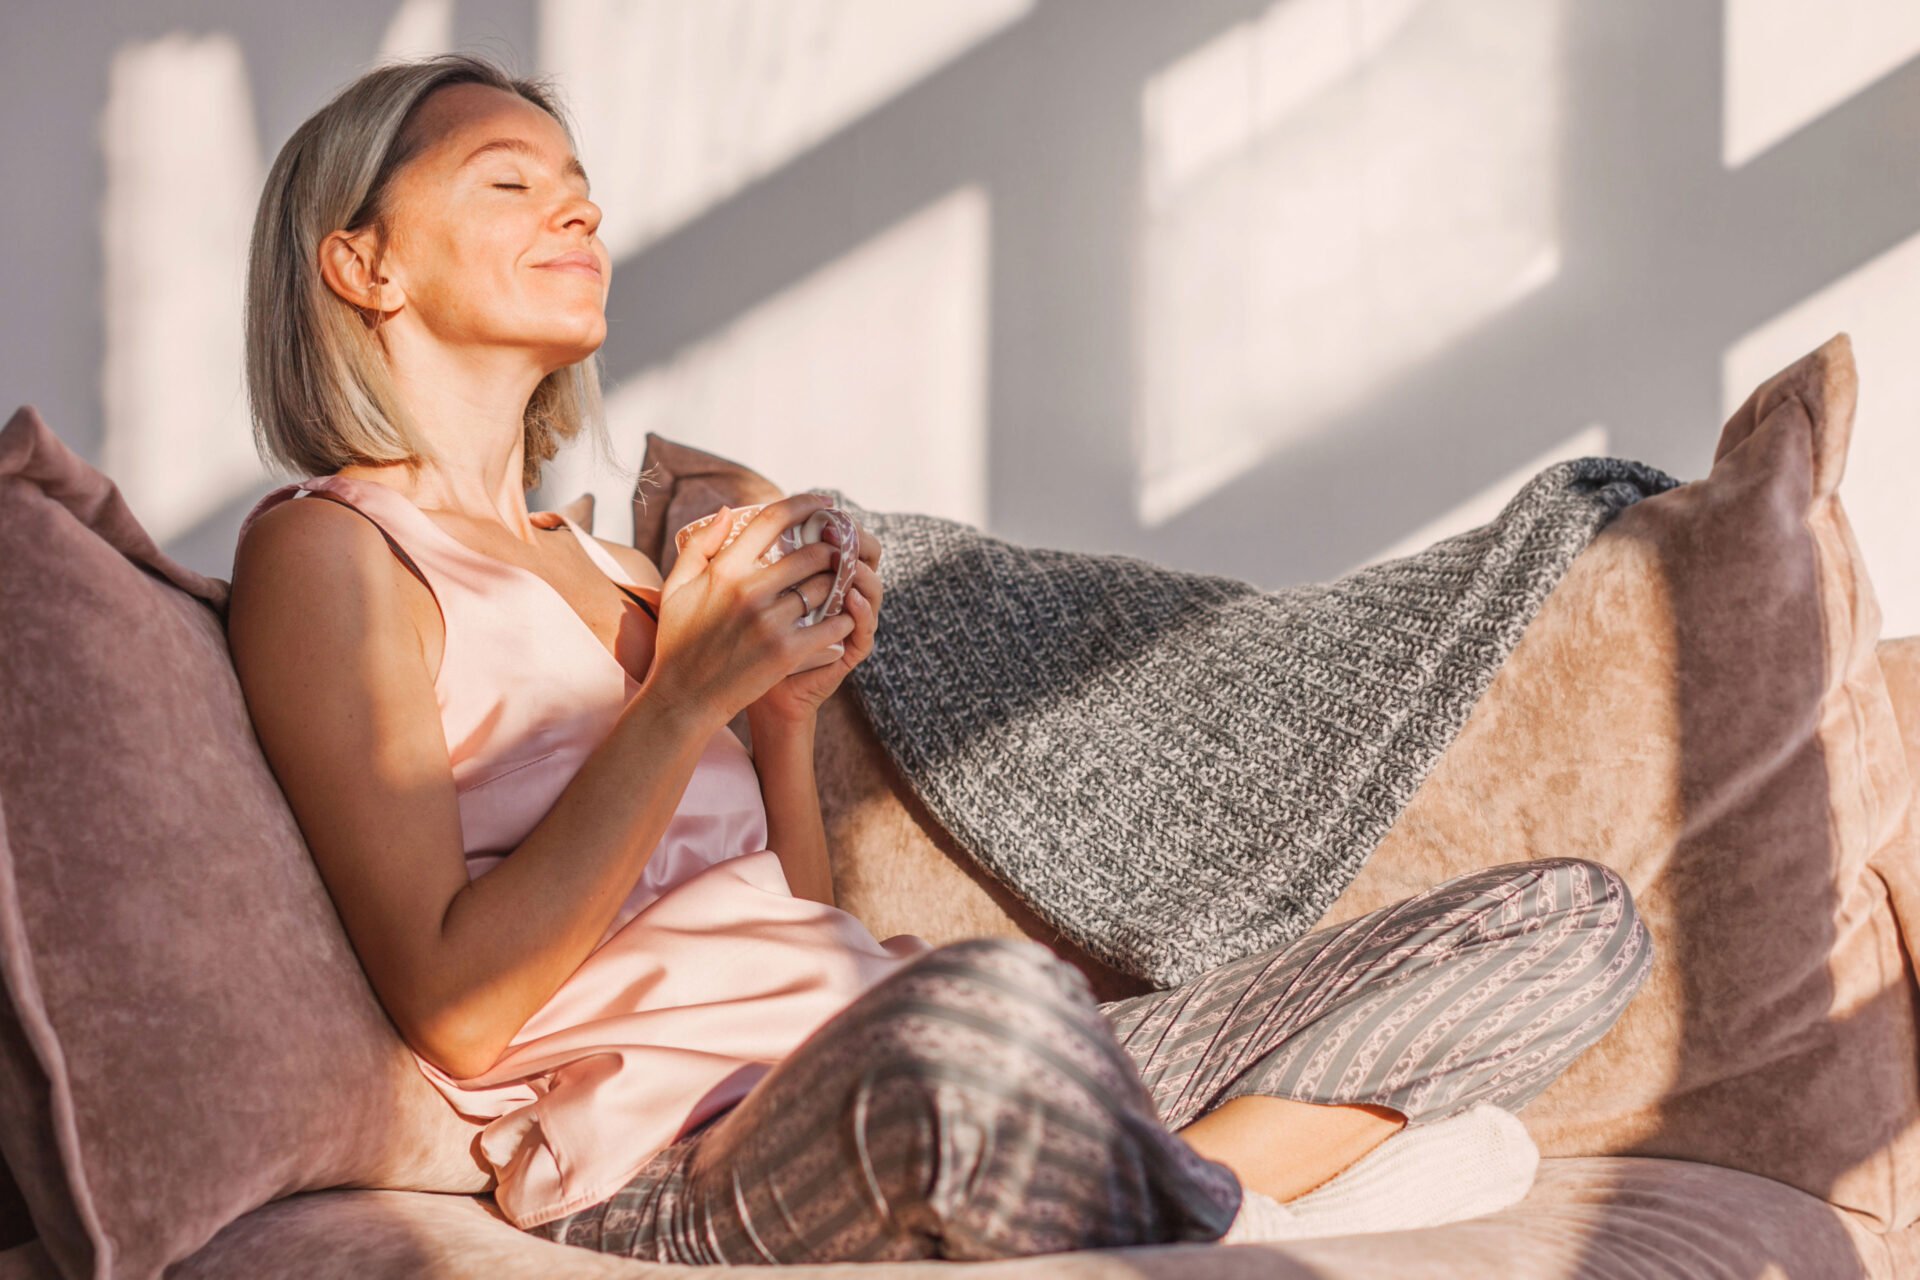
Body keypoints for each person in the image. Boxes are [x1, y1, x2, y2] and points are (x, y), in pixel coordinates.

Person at [225, 52, 1656, 1265]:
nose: (579, 205)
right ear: (363, 261)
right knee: (992, 1007)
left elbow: (784, 920)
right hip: (675, 1161)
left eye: (579, 182)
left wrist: (778, 722)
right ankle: (1236, 1215)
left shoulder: (616, 567)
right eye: (509, 182)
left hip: (895, 1056)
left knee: (1568, 922)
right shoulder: (331, 552)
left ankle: (1170, 1201)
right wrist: (683, 700)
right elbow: (459, 1012)